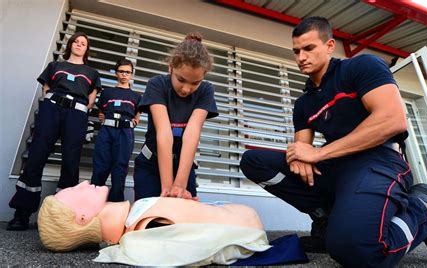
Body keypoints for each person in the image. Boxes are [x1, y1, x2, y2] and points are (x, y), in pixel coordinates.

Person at [239, 16, 427, 267]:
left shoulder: (360, 67)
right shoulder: (304, 104)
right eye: (296, 51)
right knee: (254, 161)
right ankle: (329, 219)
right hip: (335, 169)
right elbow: (302, 149)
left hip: (378, 162)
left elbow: (392, 120)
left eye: (308, 48)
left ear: (329, 45)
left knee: (358, 251)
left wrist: (317, 154)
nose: (301, 57)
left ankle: (424, 209)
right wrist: (300, 155)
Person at [37, 181, 268, 263]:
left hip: (242, 218)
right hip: (247, 223)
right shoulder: (143, 229)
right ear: (83, 218)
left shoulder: (137, 221)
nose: (84, 183)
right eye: (76, 191)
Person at [7, 32, 102, 231]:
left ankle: (61, 218)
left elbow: (92, 96)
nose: (79, 44)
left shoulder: (91, 73)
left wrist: (83, 111)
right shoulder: (55, 66)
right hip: (52, 110)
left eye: (83, 43)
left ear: (87, 49)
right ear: (70, 44)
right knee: (36, 156)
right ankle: (22, 214)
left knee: (70, 162)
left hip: (76, 115)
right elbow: (46, 87)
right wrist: (51, 102)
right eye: (76, 41)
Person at [134, 32, 218, 201]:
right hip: (151, 164)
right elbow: (164, 133)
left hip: (184, 167)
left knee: (184, 222)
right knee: (148, 221)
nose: (186, 89)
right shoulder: (157, 84)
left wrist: (180, 185)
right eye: (181, 80)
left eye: (195, 83)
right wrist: (167, 188)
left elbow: (192, 134)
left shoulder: (206, 90)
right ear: (170, 67)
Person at [90, 57, 141, 201]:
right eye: (121, 71)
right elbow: (100, 110)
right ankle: (93, 203)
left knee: (120, 168)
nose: (124, 74)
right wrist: (102, 115)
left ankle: (115, 205)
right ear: (116, 73)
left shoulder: (136, 96)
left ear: (131, 74)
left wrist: (136, 119)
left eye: (128, 72)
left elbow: (138, 112)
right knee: (100, 166)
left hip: (125, 133)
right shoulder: (107, 92)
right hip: (107, 131)